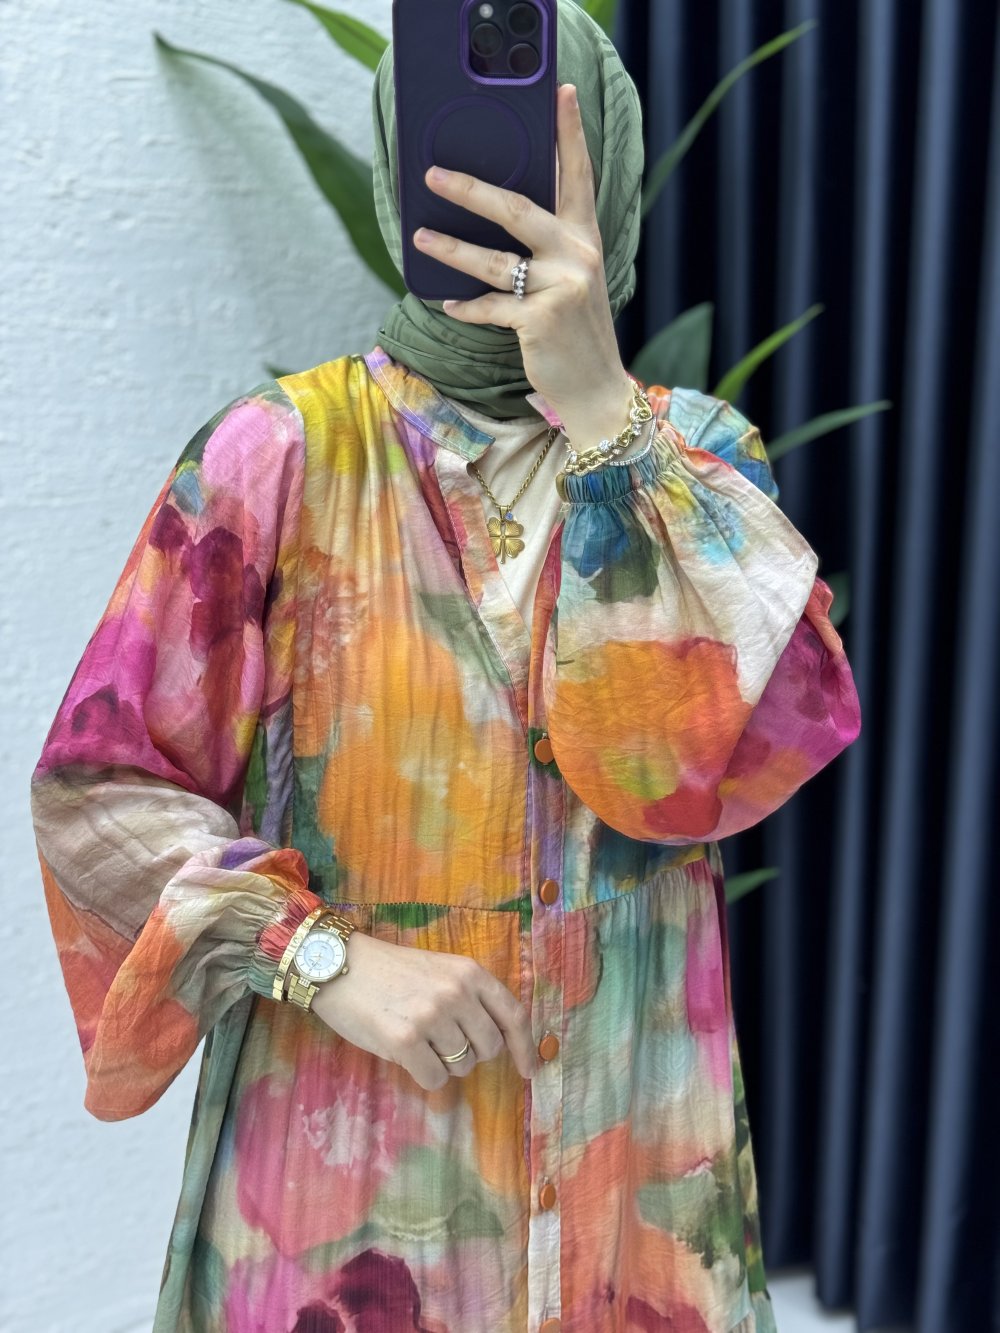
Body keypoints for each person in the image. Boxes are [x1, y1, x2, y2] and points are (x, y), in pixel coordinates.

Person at [29, 4, 861, 1330]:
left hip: (630, 1195)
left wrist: (603, 414)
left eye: (540, 143)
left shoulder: (701, 465)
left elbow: (697, 772)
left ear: (609, 167)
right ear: (399, 164)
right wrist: (319, 956)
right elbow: (100, 790)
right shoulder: (277, 456)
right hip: (345, 1206)